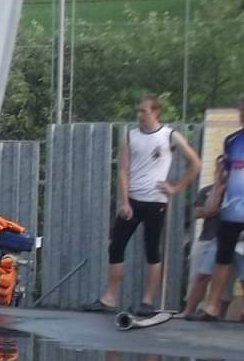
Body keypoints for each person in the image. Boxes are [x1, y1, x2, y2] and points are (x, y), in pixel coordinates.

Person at [85, 94, 199, 315]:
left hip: (156, 201)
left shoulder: (169, 135)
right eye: (138, 111)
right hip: (133, 200)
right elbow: (123, 170)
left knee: (152, 249)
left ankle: (147, 301)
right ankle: (109, 298)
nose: (139, 115)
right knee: (116, 245)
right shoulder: (130, 136)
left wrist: (176, 187)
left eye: (144, 111)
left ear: (155, 112)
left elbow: (195, 163)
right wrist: (124, 201)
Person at [195, 98, 244, 322]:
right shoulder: (232, 140)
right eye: (241, 111)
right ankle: (212, 307)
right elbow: (227, 174)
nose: (242, 115)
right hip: (231, 210)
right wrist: (219, 177)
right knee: (222, 258)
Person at [182, 157, 224, 319]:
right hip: (208, 238)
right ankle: (188, 311)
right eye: (219, 167)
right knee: (200, 275)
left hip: (235, 239)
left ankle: (219, 314)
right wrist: (218, 185)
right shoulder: (207, 190)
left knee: (230, 283)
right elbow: (202, 212)